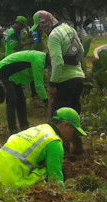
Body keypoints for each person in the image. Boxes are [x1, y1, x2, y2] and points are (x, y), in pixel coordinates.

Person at [0, 107, 87, 198]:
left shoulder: (40, 129)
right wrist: (64, 199)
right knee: (46, 171)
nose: (73, 137)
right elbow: (55, 178)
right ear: (65, 125)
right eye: (74, 131)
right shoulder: (54, 142)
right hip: (5, 188)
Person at [32, 10, 85, 156]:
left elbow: (57, 61)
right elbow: (81, 50)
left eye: (40, 26)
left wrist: (53, 83)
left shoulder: (54, 36)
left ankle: (64, 151)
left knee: (60, 118)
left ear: (46, 23)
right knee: (73, 115)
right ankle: (79, 148)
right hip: (78, 78)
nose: (41, 31)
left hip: (64, 80)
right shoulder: (69, 28)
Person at [0, 50, 50, 135]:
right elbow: (38, 84)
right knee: (12, 100)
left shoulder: (41, 58)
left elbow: (34, 80)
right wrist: (46, 100)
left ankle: (24, 126)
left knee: (21, 100)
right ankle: (12, 129)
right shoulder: (39, 61)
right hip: (4, 71)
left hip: (14, 77)